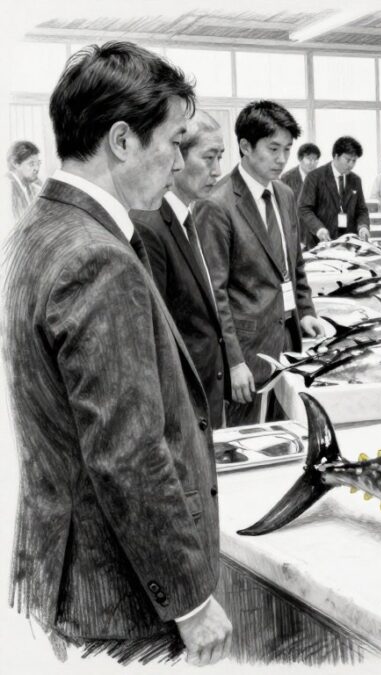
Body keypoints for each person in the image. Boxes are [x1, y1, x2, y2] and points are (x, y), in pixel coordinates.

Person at [1, 41, 231, 665]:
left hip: (60, 570)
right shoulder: (97, 257)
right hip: (120, 595)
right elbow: (127, 452)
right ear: (124, 141)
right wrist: (189, 602)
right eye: (176, 141)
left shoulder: (36, 230)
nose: (180, 160)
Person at [198, 101, 325, 427]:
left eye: (286, 149)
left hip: (288, 340)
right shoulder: (218, 204)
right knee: (253, 443)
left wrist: (306, 310)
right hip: (248, 353)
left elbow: (294, 264)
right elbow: (216, 294)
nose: (282, 159)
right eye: (272, 149)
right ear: (245, 146)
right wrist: (233, 361)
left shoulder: (284, 194)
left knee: (291, 435)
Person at [131, 109, 230, 429]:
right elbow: (154, 335)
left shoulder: (190, 217)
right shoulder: (151, 225)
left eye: (220, 158)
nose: (217, 170)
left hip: (204, 394)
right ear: (177, 157)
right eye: (208, 158)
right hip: (181, 408)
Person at [298, 135, 370, 243]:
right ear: (336, 156)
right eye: (348, 160)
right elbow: (304, 208)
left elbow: (361, 209)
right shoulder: (314, 177)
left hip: (349, 243)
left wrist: (363, 226)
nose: (351, 165)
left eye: (354, 161)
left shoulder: (356, 180)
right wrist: (319, 229)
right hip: (321, 242)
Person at [280, 142, 321, 247]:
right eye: (309, 159)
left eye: (315, 160)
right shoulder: (286, 178)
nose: (312, 163)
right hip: (295, 233)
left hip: (317, 233)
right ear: (300, 159)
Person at [8, 140, 43, 221]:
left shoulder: (33, 186)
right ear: (16, 163)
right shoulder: (6, 187)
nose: (37, 168)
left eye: (38, 163)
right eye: (31, 164)